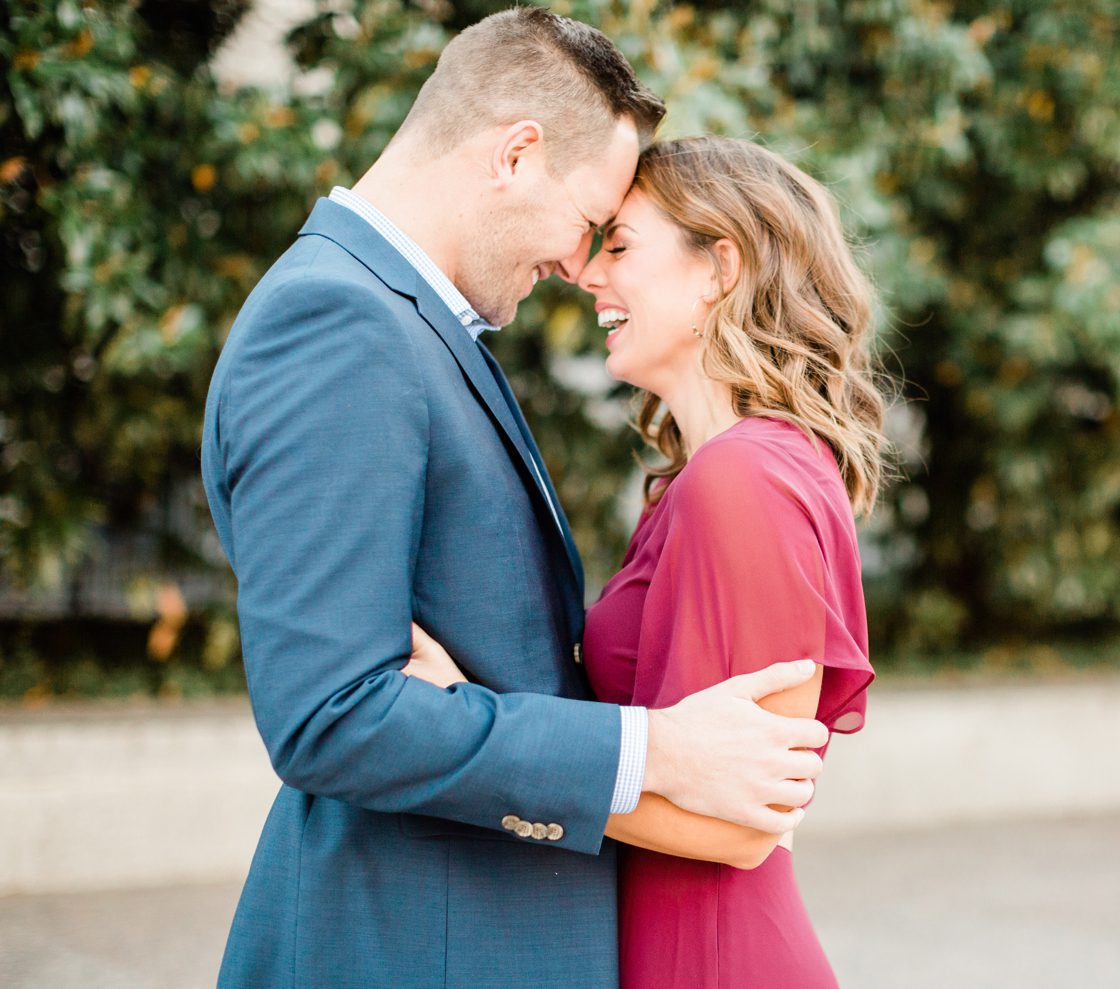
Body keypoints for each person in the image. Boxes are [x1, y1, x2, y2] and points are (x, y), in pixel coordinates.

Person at [199, 10, 829, 988]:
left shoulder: (408, 329)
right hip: (417, 948)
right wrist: (650, 749)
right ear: (515, 155)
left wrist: (468, 699)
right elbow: (328, 712)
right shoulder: (340, 322)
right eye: (588, 224)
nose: (580, 268)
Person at [409, 135, 889, 987]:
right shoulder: (715, 476)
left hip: (708, 955)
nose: (590, 275)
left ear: (720, 267)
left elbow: (749, 824)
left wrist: (471, 726)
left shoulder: (745, 478)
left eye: (621, 245)